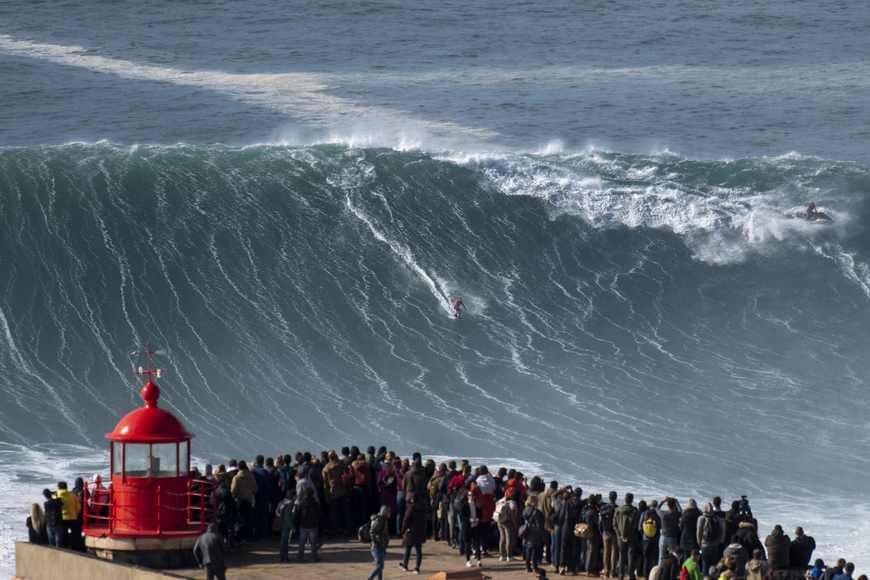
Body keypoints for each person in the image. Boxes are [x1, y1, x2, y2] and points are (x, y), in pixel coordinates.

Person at [399, 492, 427, 575]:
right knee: (418, 551)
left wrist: (402, 530)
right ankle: (417, 568)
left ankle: (405, 565)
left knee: (408, 549)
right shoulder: (422, 508)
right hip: (420, 531)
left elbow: (406, 520)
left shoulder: (411, 508)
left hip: (411, 531)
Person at [231, 461, 257, 540]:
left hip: (239, 501)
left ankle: (239, 537)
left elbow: (233, 490)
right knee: (249, 519)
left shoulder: (236, 477)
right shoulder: (251, 476)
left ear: (239, 468)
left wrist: (235, 497)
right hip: (249, 501)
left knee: (240, 519)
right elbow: (255, 489)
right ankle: (248, 537)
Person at [615, 493, 639, 580]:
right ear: (632, 500)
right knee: (630, 556)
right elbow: (636, 526)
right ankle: (631, 575)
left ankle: (620, 575)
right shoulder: (635, 511)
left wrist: (620, 535)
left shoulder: (617, 510)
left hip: (620, 537)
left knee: (621, 556)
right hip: (632, 537)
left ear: (624, 500)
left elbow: (614, 525)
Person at [294, 487, 321, 562]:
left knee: (301, 543)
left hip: (303, 525)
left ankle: (300, 557)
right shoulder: (316, 504)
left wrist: (296, 524)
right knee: (313, 543)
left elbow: (297, 515)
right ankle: (314, 557)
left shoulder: (301, 503)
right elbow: (319, 515)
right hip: (313, 525)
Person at [522, 494, 547, 573]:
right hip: (535, 533)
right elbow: (539, 525)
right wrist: (543, 535)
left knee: (528, 550)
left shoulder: (525, 509)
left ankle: (528, 567)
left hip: (527, 531)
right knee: (535, 551)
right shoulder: (536, 512)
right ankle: (535, 567)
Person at [496, 489, 521, 562]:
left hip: (499, 521)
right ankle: (509, 556)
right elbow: (513, 514)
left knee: (502, 538)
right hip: (508, 522)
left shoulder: (501, 500)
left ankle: (501, 556)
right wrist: (515, 524)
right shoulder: (513, 503)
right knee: (509, 539)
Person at [368, 505, 391, 580]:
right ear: (384, 512)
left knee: (379, 566)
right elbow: (372, 532)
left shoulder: (383, 519)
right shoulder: (379, 520)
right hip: (377, 547)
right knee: (380, 566)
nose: (390, 513)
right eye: (388, 511)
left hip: (381, 546)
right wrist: (377, 541)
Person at [56, 481, 80, 550]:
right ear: (66, 487)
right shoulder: (73, 495)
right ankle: (74, 547)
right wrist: (75, 514)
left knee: (64, 534)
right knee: (74, 534)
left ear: (58, 487)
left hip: (62, 518)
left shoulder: (56, 495)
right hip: (73, 517)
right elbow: (78, 507)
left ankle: (65, 547)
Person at [275, 488, 296, 563]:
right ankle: (285, 558)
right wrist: (292, 527)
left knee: (282, 541)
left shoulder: (281, 502)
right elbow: (290, 517)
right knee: (286, 542)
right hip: (287, 525)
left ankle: (282, 557)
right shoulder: (292, 504)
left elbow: (276, 512)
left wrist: (280, 516)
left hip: (281, 523)